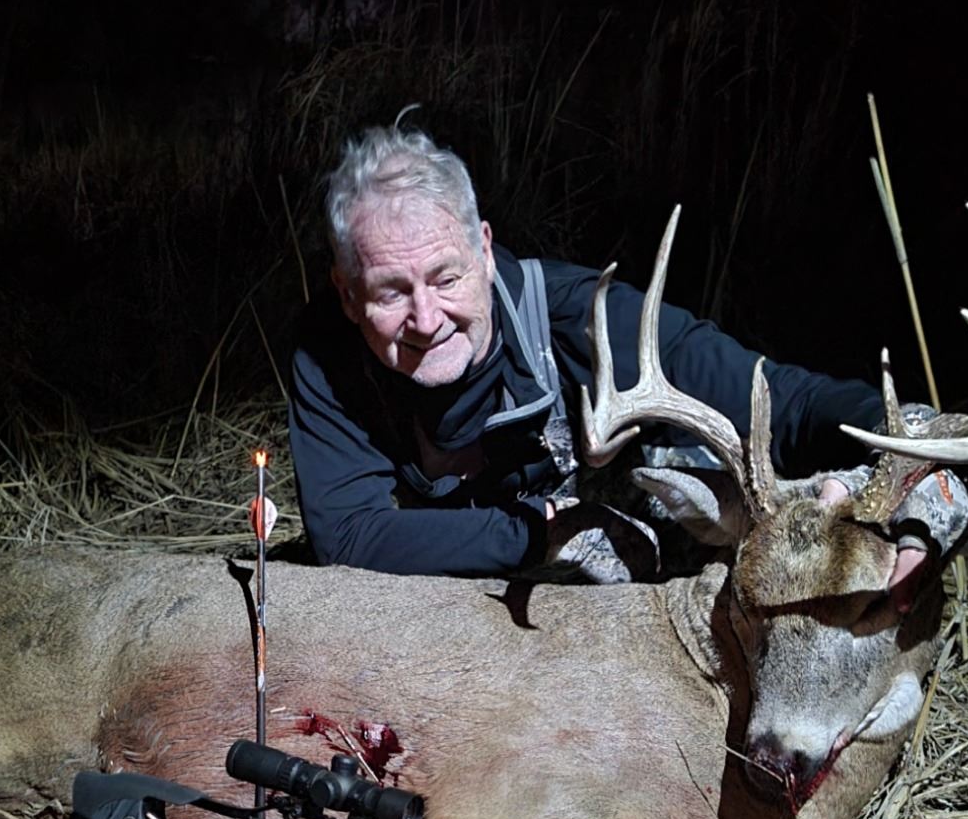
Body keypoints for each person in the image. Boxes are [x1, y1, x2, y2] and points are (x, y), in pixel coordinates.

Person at [287, 121, 887, 579]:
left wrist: (901, 436)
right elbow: (349, 537)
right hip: (472, 590)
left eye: (447, 278)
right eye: (391, 292)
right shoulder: (328, 356)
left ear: (484, 251)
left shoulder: (580, 319)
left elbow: (790, 404)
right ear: (347, 293)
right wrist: (540, 531)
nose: (425, 319)